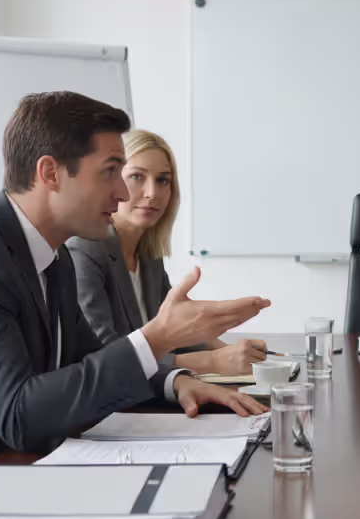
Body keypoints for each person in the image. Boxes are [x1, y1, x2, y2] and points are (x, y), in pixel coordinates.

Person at [0, 92, 271, 503]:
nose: (123, 194)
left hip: (3, 478)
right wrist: (157, 338)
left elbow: (83, 363)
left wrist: (173, 381)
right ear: (50, 173)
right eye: (110, 172)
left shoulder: (51, 257)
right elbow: (19, 414)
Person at [68, 129, 266, 374]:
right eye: (137, 177)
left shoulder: (148, 255)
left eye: (163, 180)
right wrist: (213, 361)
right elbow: (105, 357)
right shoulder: (84, 251)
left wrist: (239, 354)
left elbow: (176, 334)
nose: (153, 192)